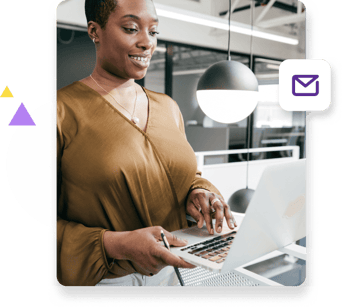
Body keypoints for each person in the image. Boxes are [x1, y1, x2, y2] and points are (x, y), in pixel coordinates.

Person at [56, 0, 237, 287]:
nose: (147, 43)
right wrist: (116, 244)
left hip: (176, 268)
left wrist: (200, 192)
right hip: (105, 279)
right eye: (131, 28)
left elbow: (187, 176)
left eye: (153, 32)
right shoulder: (60, 111)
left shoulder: (168, 107)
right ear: (95, 31)